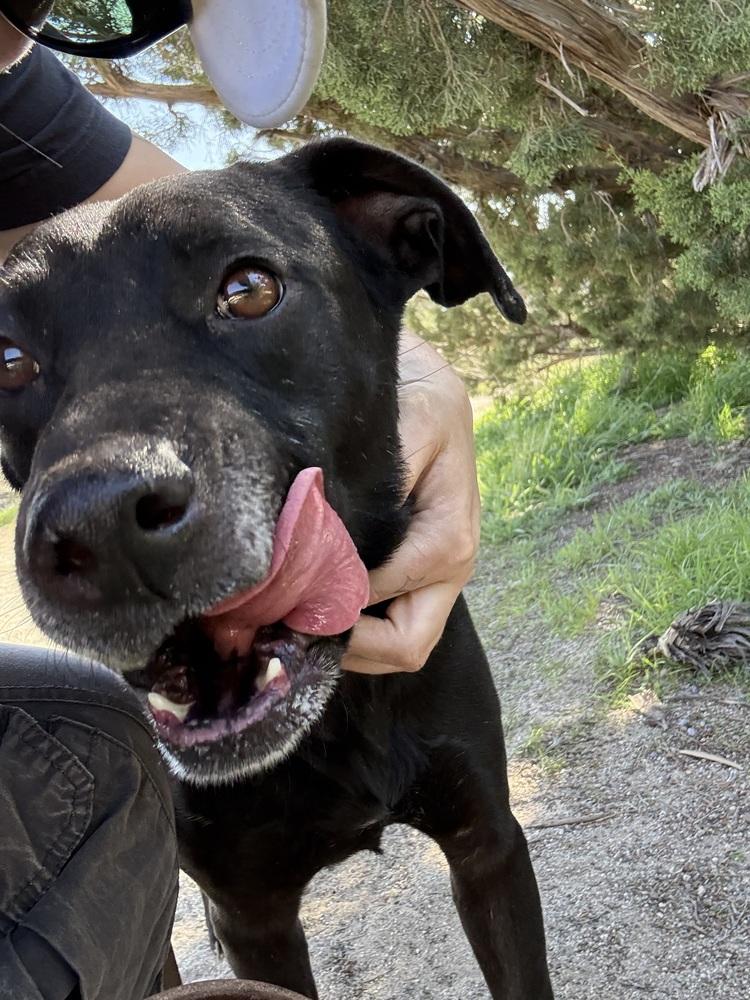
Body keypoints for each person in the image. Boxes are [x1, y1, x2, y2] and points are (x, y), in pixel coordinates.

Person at [0, 2, 480, 996]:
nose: (22, 40)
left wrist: (426, 377)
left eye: (39, 12)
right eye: (10, 362)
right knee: (90, 744)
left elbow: (195, 227)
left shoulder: (7, 86)